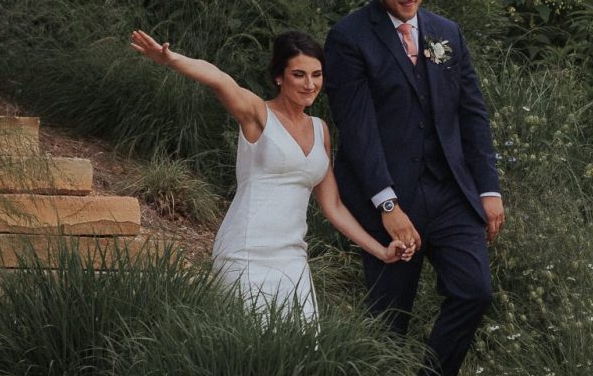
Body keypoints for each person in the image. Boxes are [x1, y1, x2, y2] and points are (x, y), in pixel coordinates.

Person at [325, 0, 504, 376]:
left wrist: (488, 190)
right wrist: (387, 204)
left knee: (474, 292)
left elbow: (472, 113)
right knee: (389, 315)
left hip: (451, 192)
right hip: (389, 195)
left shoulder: (446, 33)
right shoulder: (349, 39)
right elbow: (358, 132)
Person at [128, 27, 409, 315]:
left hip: (293, 257)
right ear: (279, 76)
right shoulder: (258, 114)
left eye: (317, 74)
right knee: (246, 351)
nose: (310, 84)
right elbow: (220, 80)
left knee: (300, 354)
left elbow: (334, 206)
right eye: (299, 74)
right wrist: (170, 58)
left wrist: (381, 251)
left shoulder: (319, 129)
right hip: (246, 252)